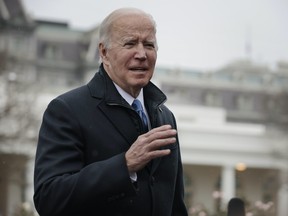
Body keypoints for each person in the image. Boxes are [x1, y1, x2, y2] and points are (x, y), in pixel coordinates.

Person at [33, 7, 188, 216]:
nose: (142, 54)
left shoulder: (165, 117)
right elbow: (49, 198)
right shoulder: (67, 110)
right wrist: (124, 166)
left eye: (149, 45)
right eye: (130, 43)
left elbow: (175, 206)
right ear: (104, 52)